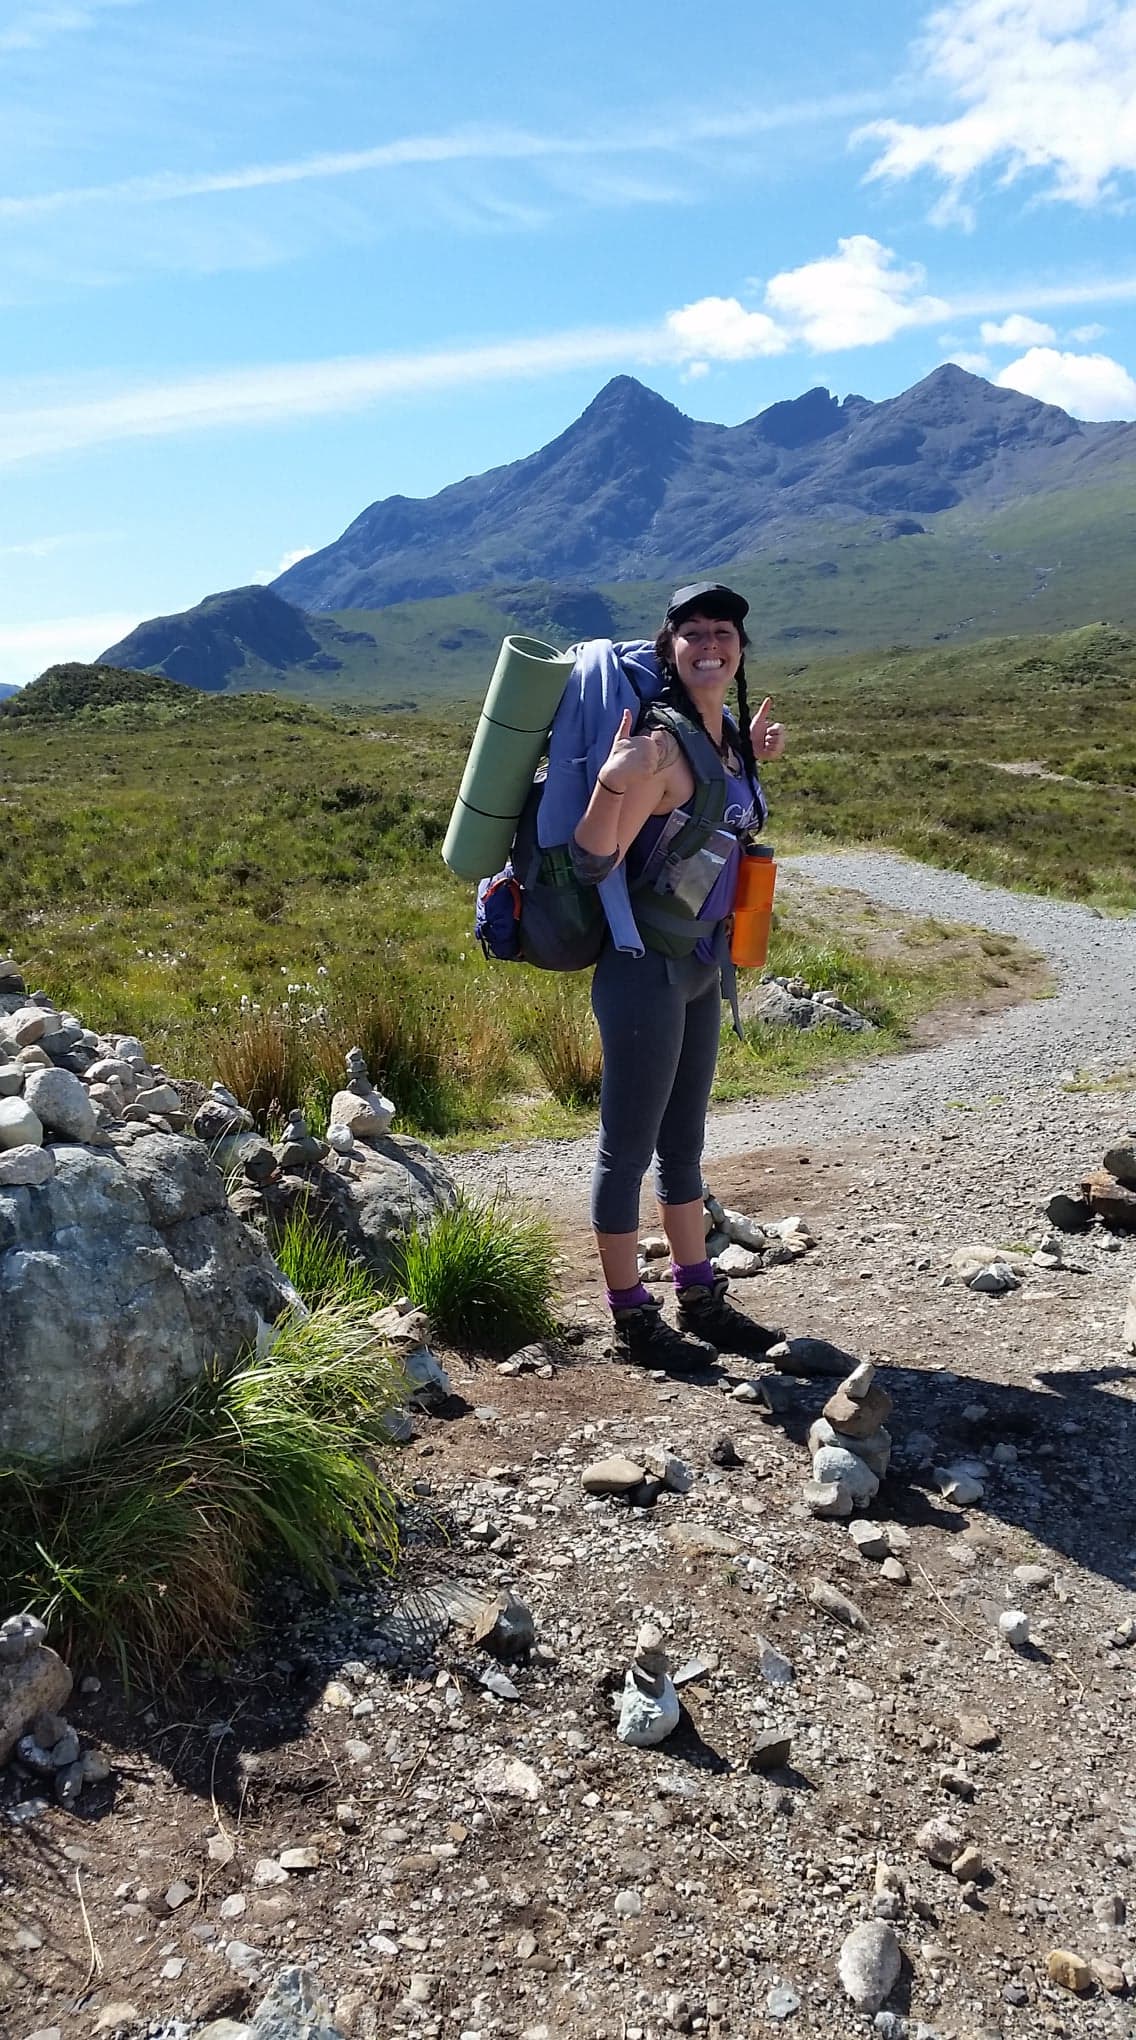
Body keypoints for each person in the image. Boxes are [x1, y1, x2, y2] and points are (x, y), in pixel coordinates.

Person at [569, 581, 787, 1368]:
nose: (710, 643)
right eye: (693, 632)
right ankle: (631, 1317)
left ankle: (698, 1296)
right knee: (625, 1150)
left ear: (738, 650)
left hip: (702, 965)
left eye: (723, 632)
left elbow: (726, 824)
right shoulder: (660, 742)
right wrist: (616, 779)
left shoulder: (725, 733)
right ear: (670, 647)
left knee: (685, 1148)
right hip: (643, 972)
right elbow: (594, 856)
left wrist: (751, 761)